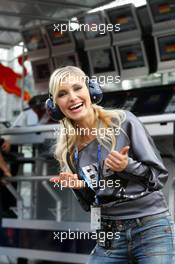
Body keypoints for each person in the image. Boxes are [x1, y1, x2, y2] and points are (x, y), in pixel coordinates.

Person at [48, 66, 175, 263]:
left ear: (90, 91)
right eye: (62, 94)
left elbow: (158, 177)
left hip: (151, 228)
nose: (72, 97)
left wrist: (128, 166)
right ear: (55, 105)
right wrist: (79, 186)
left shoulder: (123, 122)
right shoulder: (69, 149)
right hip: (108, 234)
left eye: (77, 88)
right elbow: (90, 204)